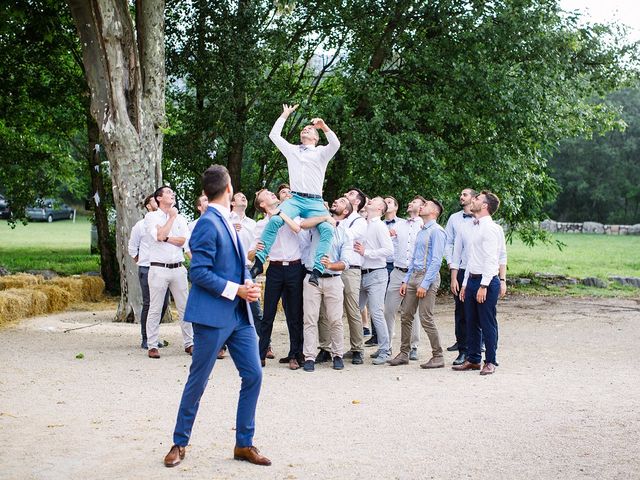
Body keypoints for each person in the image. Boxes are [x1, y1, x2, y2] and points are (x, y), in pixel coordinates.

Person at [163, 165, 270, 468]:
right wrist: (236, 290)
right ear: (228, 189)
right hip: (211, 316)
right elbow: (198, 273)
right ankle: (179, 443)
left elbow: (233, 267)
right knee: (198, 380)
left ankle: (244, 444)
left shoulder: (228, 220)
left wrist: (247, 282)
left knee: (254, 374)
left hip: (240, 316)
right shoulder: (207, 223)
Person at [250, 104, 340, 286]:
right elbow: (274, 136)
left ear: (316, 137)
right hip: (296, 199)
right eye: (303, 130)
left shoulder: (322, 153)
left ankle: (317, 271)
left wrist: (323, 126)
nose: (304, 131)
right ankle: (259, 262)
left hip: (315, 201)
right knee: (275, 220)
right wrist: (285, 114)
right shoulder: (292, 150)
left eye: (309, 129)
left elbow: (336, 144)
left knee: (327, 230)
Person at [251, 188, 306, 370]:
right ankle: (261, 354)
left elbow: (298, 230)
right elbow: (251, 253)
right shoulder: (260, 225)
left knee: (294, 314)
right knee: (268, 314)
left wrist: (281, 214)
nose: (272, 193)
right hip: (274, 269)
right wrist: (256, 249)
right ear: (262, 204)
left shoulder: (292, 216)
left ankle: (294, 354)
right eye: (267, 193)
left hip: (294, 268)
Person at [454, 191, 507, 376]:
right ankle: (473, 359)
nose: (472, 200)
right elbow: (471, 259)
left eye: (476, 199)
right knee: (471, 321)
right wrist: (466, 284)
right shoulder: (474, 227)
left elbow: (492, 260)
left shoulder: (490, 228)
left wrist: (484, 286)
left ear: (485, 206)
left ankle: (490, 361)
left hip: (487, 281)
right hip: (472, 279)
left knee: (487, 322)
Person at [389, 199, 446, 369]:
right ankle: (404, 353)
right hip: (413, 276)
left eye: (426, 205)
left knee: (426, 317)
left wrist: (425, 284)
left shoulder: (437, 231)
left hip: (427, 277)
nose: (422, 206)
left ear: (434, 212)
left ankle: (438, 356)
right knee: (406, 315)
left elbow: (436, 261)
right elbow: (414, 258)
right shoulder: (422, 231)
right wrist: (406, 280)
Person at [300, 197, 353, 372]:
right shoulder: (316, 225)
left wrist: (330, 264)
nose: (336, 200)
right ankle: (309, 356)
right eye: (336, 199)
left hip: (333, 279)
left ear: (346, 211)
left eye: (342, 201)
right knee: (309, 319)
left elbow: (346, 262)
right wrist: (323, 217)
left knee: (335, 319)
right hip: (311, 278)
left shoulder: (345, 233)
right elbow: (303, 224)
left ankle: (337, 354)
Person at [144, 186, 193, 359]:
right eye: (168, 192)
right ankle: (152, 344)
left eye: (173, 193)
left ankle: (189, 343)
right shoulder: (151, 217)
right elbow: (158, 235)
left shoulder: (181, 218)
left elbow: (183, 241)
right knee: (156, 308)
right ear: (158, 198)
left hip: (178, 267)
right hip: (158, 268)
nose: (172, 195)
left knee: (185, 306)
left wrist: (166, 237)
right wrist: (171, 218)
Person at [382, 195, 425, 361]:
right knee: (388, 309)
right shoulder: (399, 225)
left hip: (414, 274)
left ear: (421, 207)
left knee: (411, 311)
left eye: (414, 202)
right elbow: (386, 238)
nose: (410, 203)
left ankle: (413, 346)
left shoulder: (424, 226)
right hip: (397, 271)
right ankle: (387, 345)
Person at [355, 197, 394, 365]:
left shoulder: (379, 226)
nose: (369, 201)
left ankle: (386, 349)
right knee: (355, 309)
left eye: (374, 201)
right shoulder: (363, 224)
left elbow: (389, 250)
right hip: (361, 273)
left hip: (377, 273)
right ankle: (356, 346)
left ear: (380, 209)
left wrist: (366, 252)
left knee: (376, 311)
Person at [230, 191, 270, 359]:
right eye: (239, 196)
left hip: (247, 269)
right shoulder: (225, 220)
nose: (243, 197)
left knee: (255, 309)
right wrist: (231, 230)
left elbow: (255, 249)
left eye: (244, 196)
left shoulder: (254, 224)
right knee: (226, 308)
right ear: (232, 202)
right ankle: (221, 345)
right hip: (229, 269)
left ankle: (265, 345)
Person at [127, 194, 169, 349]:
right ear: (148, 206)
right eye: (153, 201)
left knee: (163, 304)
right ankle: (146, 339)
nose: (157, 203)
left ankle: (152, 335)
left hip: (163, 268)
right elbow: (132, 248)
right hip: (147, 268)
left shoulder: (166, 224)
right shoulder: (140, 226)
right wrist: (142, 261)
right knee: (149, 303)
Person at [444, 188, 476, 365]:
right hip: (461, 268)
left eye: (465, 194)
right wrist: (452, 266)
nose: (461, 197)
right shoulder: (454, 219)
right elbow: (448, 242)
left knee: (479, 312)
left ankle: (479, 349)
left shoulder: (483, 221)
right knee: (461, 311)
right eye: (461, 195)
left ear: (473, 198)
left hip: (478, 270)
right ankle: (463, 350)